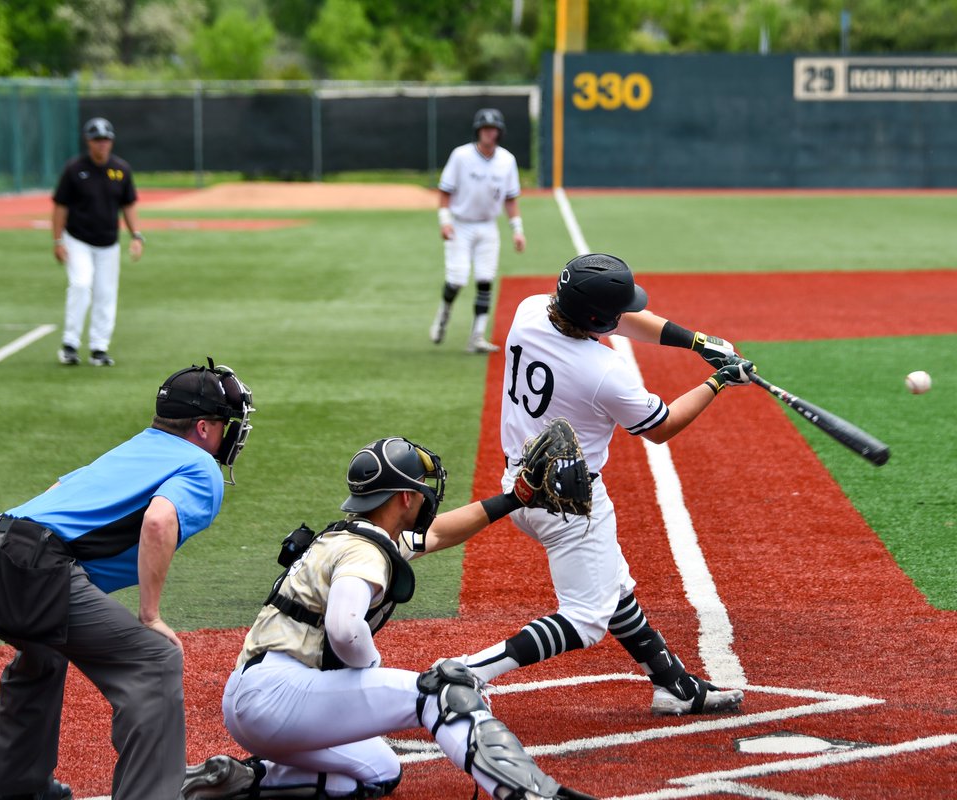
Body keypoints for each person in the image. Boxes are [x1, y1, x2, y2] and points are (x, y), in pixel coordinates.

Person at [181, 437, 594, 800]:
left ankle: (244, 779)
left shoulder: (348, 536)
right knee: (441, 690)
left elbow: (440, 533)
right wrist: (370, 672)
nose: (425, 496)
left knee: (379, 770)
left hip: (251, 698)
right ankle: (530, 793)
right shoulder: (365, 553)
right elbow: (345, 629)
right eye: (418, 488)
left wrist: (514, 498)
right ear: (402, 497)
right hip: (279, 696)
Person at [457, 253, 753, 716]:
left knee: (613, 587)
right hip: (571, 503)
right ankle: (467, 672)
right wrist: (718, 380)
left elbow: (625, 322)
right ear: (597, 318)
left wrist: (697, 341)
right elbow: (661, 427)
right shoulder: (604, 373)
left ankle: (672, 683)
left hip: (520, 483)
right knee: (584, 619)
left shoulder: (531, 309)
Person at [0, 359, 254, 800]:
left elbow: (58, 491)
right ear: (203, 428)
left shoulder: (137, 445)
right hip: (36, 570)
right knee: (155, 660)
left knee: (45, 649)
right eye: (223, 423)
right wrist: (150, 614)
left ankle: (16, 784)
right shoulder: (200, 465)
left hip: (8, 542)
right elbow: (158, 521)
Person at [430, 108, 525, 354]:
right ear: (478, 131)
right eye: (484, 129)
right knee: (457, 278)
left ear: (499, 132)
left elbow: (511, 198)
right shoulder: (461, 156)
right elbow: (445, 190)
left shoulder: (507, 160)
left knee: (485, 279)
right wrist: (445, 221)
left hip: (488, 226)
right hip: (461, 224)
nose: (488, 133)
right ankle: (443, 314)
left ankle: (477, 337)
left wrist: (517, 229)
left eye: (493, 129)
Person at [51, 117, 145, 367]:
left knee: (106, 293)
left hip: (108, 243)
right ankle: (70, 344)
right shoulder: (74, 169)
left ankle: (99, 347)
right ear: (88, 141)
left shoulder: (121, 169)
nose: (101, 144)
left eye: (105, 139)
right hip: (78, 239)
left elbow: (128, 205)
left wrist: (136, 235)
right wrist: (58, 240)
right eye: (97, 139)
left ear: (111, 141)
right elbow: (60, 206)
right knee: (81, 285)